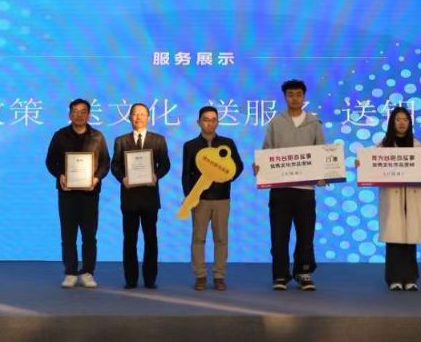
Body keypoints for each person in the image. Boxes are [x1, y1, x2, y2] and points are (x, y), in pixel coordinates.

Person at [254, 79, 325, 291]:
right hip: (280, 189)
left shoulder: (314, 122)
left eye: (298, 94)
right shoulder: (276, 122)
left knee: (306, 234)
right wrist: (260, 168)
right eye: (290, 94)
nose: (295, 98)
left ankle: (304, 272)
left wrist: (324, 175)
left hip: (305, 190)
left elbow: (322, 152)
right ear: (285, 97)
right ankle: (280, 275)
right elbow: (267, 151)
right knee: (279, 235)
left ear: (304, 97)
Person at [358, 106, 421, 291]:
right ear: (392, 123)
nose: (402, 123)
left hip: (412, 195)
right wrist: (362, 164)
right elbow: (371, 167)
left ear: (410, 123)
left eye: (405, 119)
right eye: (398, 119)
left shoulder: (417, 145)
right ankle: (394, 278)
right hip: (392, 196)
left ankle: (411, 278)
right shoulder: (383, 145)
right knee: (394, 239)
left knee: (410, 238)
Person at [45, 98, 110, 289]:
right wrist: (60, 175)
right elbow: (50, 161)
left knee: (89, 235)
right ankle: (70, 272)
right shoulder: (60, 135)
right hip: (67, 193)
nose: (79, 115)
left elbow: (105, 162)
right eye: (75, 111)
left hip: (90, 193)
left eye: (83, 111)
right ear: (69, 114)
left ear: (89, 115)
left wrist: (97, 178)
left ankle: (88, 272)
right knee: (68, 234)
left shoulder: (97, 136)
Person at [181, 106, 244, 291]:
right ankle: (200, 276)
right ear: (199, 122)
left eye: (213, 119)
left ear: (218, 122)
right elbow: (186, 173)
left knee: (221, 239)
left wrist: (225, 178)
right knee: (198, 238)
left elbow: (238, 166)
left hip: (222, 198)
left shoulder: (227, 143)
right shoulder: (190, 145)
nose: (210, 123)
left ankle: (219, 276)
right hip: (199, 199)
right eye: (206, 119)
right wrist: (189, 196)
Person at [111, 103, 171, 289]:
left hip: (149, 197)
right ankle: (130, 279)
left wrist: (156, 176)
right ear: (129, 117)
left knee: (151, 239)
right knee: (129, 240)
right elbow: (115, 165)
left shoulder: (158, 140)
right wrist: (122, 178)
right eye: (135, 114)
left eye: (142, 114)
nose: (138, 117)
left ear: (148, 117)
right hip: (129, 197)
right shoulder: (121, 141)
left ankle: (150, 279)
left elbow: (166, 164)